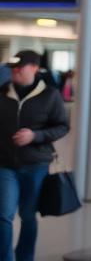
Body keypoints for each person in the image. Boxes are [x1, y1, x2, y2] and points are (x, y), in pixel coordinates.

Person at [0, 50, 70, 261]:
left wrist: (35, 136)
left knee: (28, 216)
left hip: (36, 165)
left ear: (34, 68)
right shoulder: (3, 92)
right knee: (4, 215)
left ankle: (25, 257)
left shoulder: (50, 95)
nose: (15, 71)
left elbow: (62, 126)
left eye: (19, 67)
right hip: (5, 164)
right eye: (12, 67)